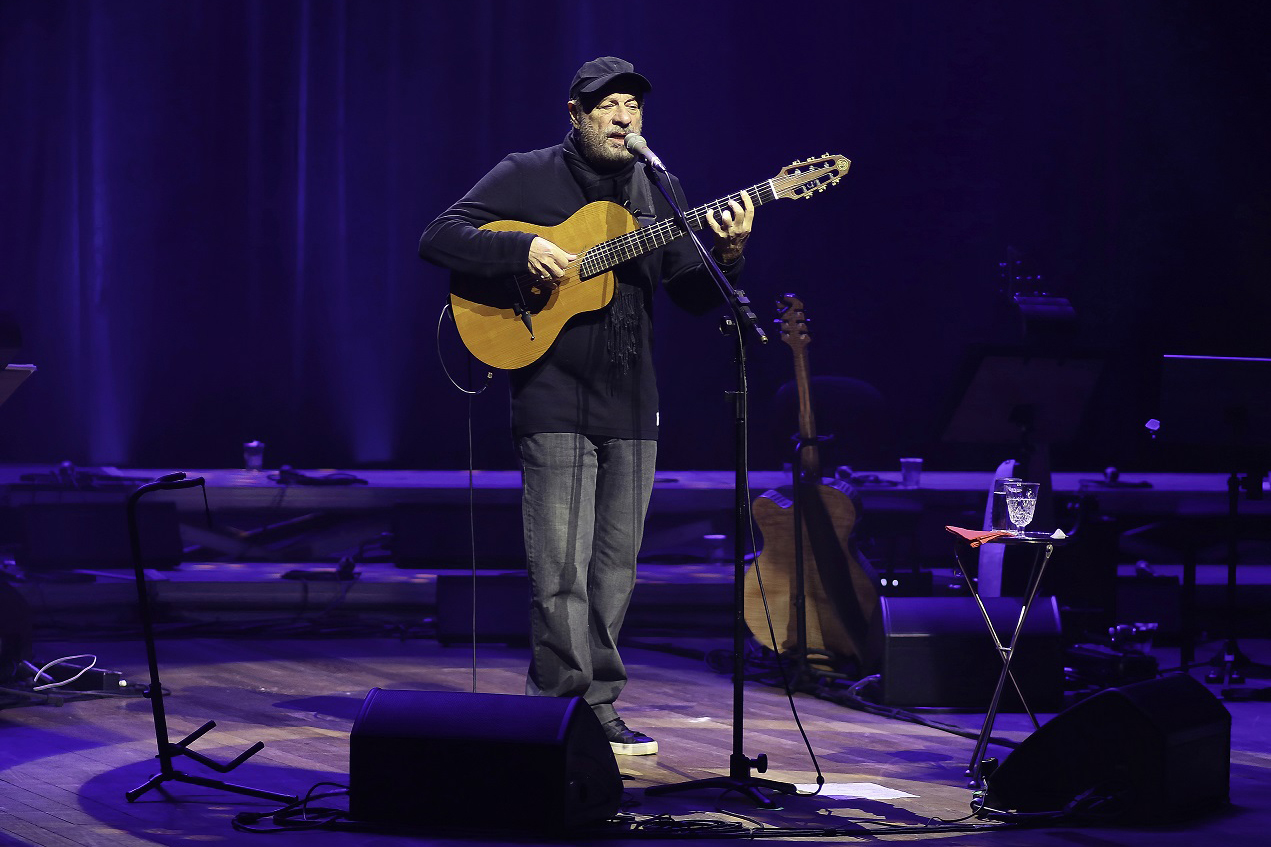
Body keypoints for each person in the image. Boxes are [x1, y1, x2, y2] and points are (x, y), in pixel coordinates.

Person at [418, 56, 754, 755]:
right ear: (576, 113)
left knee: (615, 568)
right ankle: (555, 708)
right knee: (559, 567)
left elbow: (694, 295)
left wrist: (729, 252)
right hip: (550, 392)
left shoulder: (658, 188)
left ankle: (598, 706)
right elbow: (439, 236)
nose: (622, 116)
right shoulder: (527, 172)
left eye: (632, 104)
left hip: (633, 399)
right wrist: (524, 248)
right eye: (607, 104)